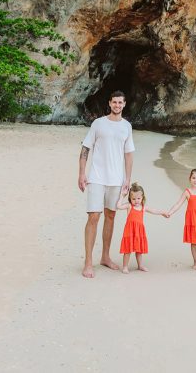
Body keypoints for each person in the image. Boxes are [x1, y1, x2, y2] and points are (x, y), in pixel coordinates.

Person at [78, 90, 135, 278]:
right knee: (93, 217)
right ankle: (88, 262)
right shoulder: (98, 124)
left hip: (116, 179)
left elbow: (129, 154)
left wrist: (127, 178)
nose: (117, 105)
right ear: (109, 103)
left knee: (110, 216)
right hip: (96, 177)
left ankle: (105, 257)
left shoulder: (127, 127)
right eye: (114, 102)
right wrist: (81, 173)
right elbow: (86, 147)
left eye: (120, 102)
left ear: (124, 104)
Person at [115, 182, 165, 274]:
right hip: (130, 231)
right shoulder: (129, 206)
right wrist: (122, 195)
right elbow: (118, 206)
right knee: (128, 249)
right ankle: (125, 266)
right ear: (130, 198)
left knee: (139, 250)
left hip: (139, 231)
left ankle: (140, 265)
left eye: (138, 198)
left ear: (142, 198)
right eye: (133, 199)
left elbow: (154, 210)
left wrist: (162, 213)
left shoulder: (143, 207)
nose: (136, 201)